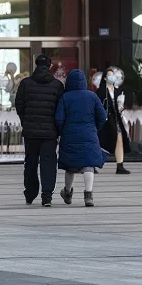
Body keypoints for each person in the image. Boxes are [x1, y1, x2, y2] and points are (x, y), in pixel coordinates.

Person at [14, 55, 64, 207]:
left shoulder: (25, 83)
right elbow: (60, 110)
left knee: (30, 163)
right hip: (50, 133)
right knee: (48, 163)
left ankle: (30, 194)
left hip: (30, 132)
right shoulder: (57, 85)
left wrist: (25, 121)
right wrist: (57, 128)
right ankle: (46, 196)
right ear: (49, 66)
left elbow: (19, 105)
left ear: (36, 65)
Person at [55, 69, 107, 208]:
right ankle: (88, 195)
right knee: (88, 165)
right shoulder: (92, 96)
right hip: (89, 134)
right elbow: (102, 116)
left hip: (69, 135)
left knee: (70, 166)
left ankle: (67, 192)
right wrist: (94, 129)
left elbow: (59, 119)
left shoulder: (65, 97)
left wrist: (62, 132)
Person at [96, 68, 131, 174]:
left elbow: (119, 105)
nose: (112, 77)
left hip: (116, 119)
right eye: (110, 75)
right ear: (105, 78)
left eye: (113, 75)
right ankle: (93, 164)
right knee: (100, 142)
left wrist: (121, 106)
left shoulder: (118, 91)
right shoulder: (101, 91)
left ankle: (120, 165)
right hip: (105, 120)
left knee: (119, 140)